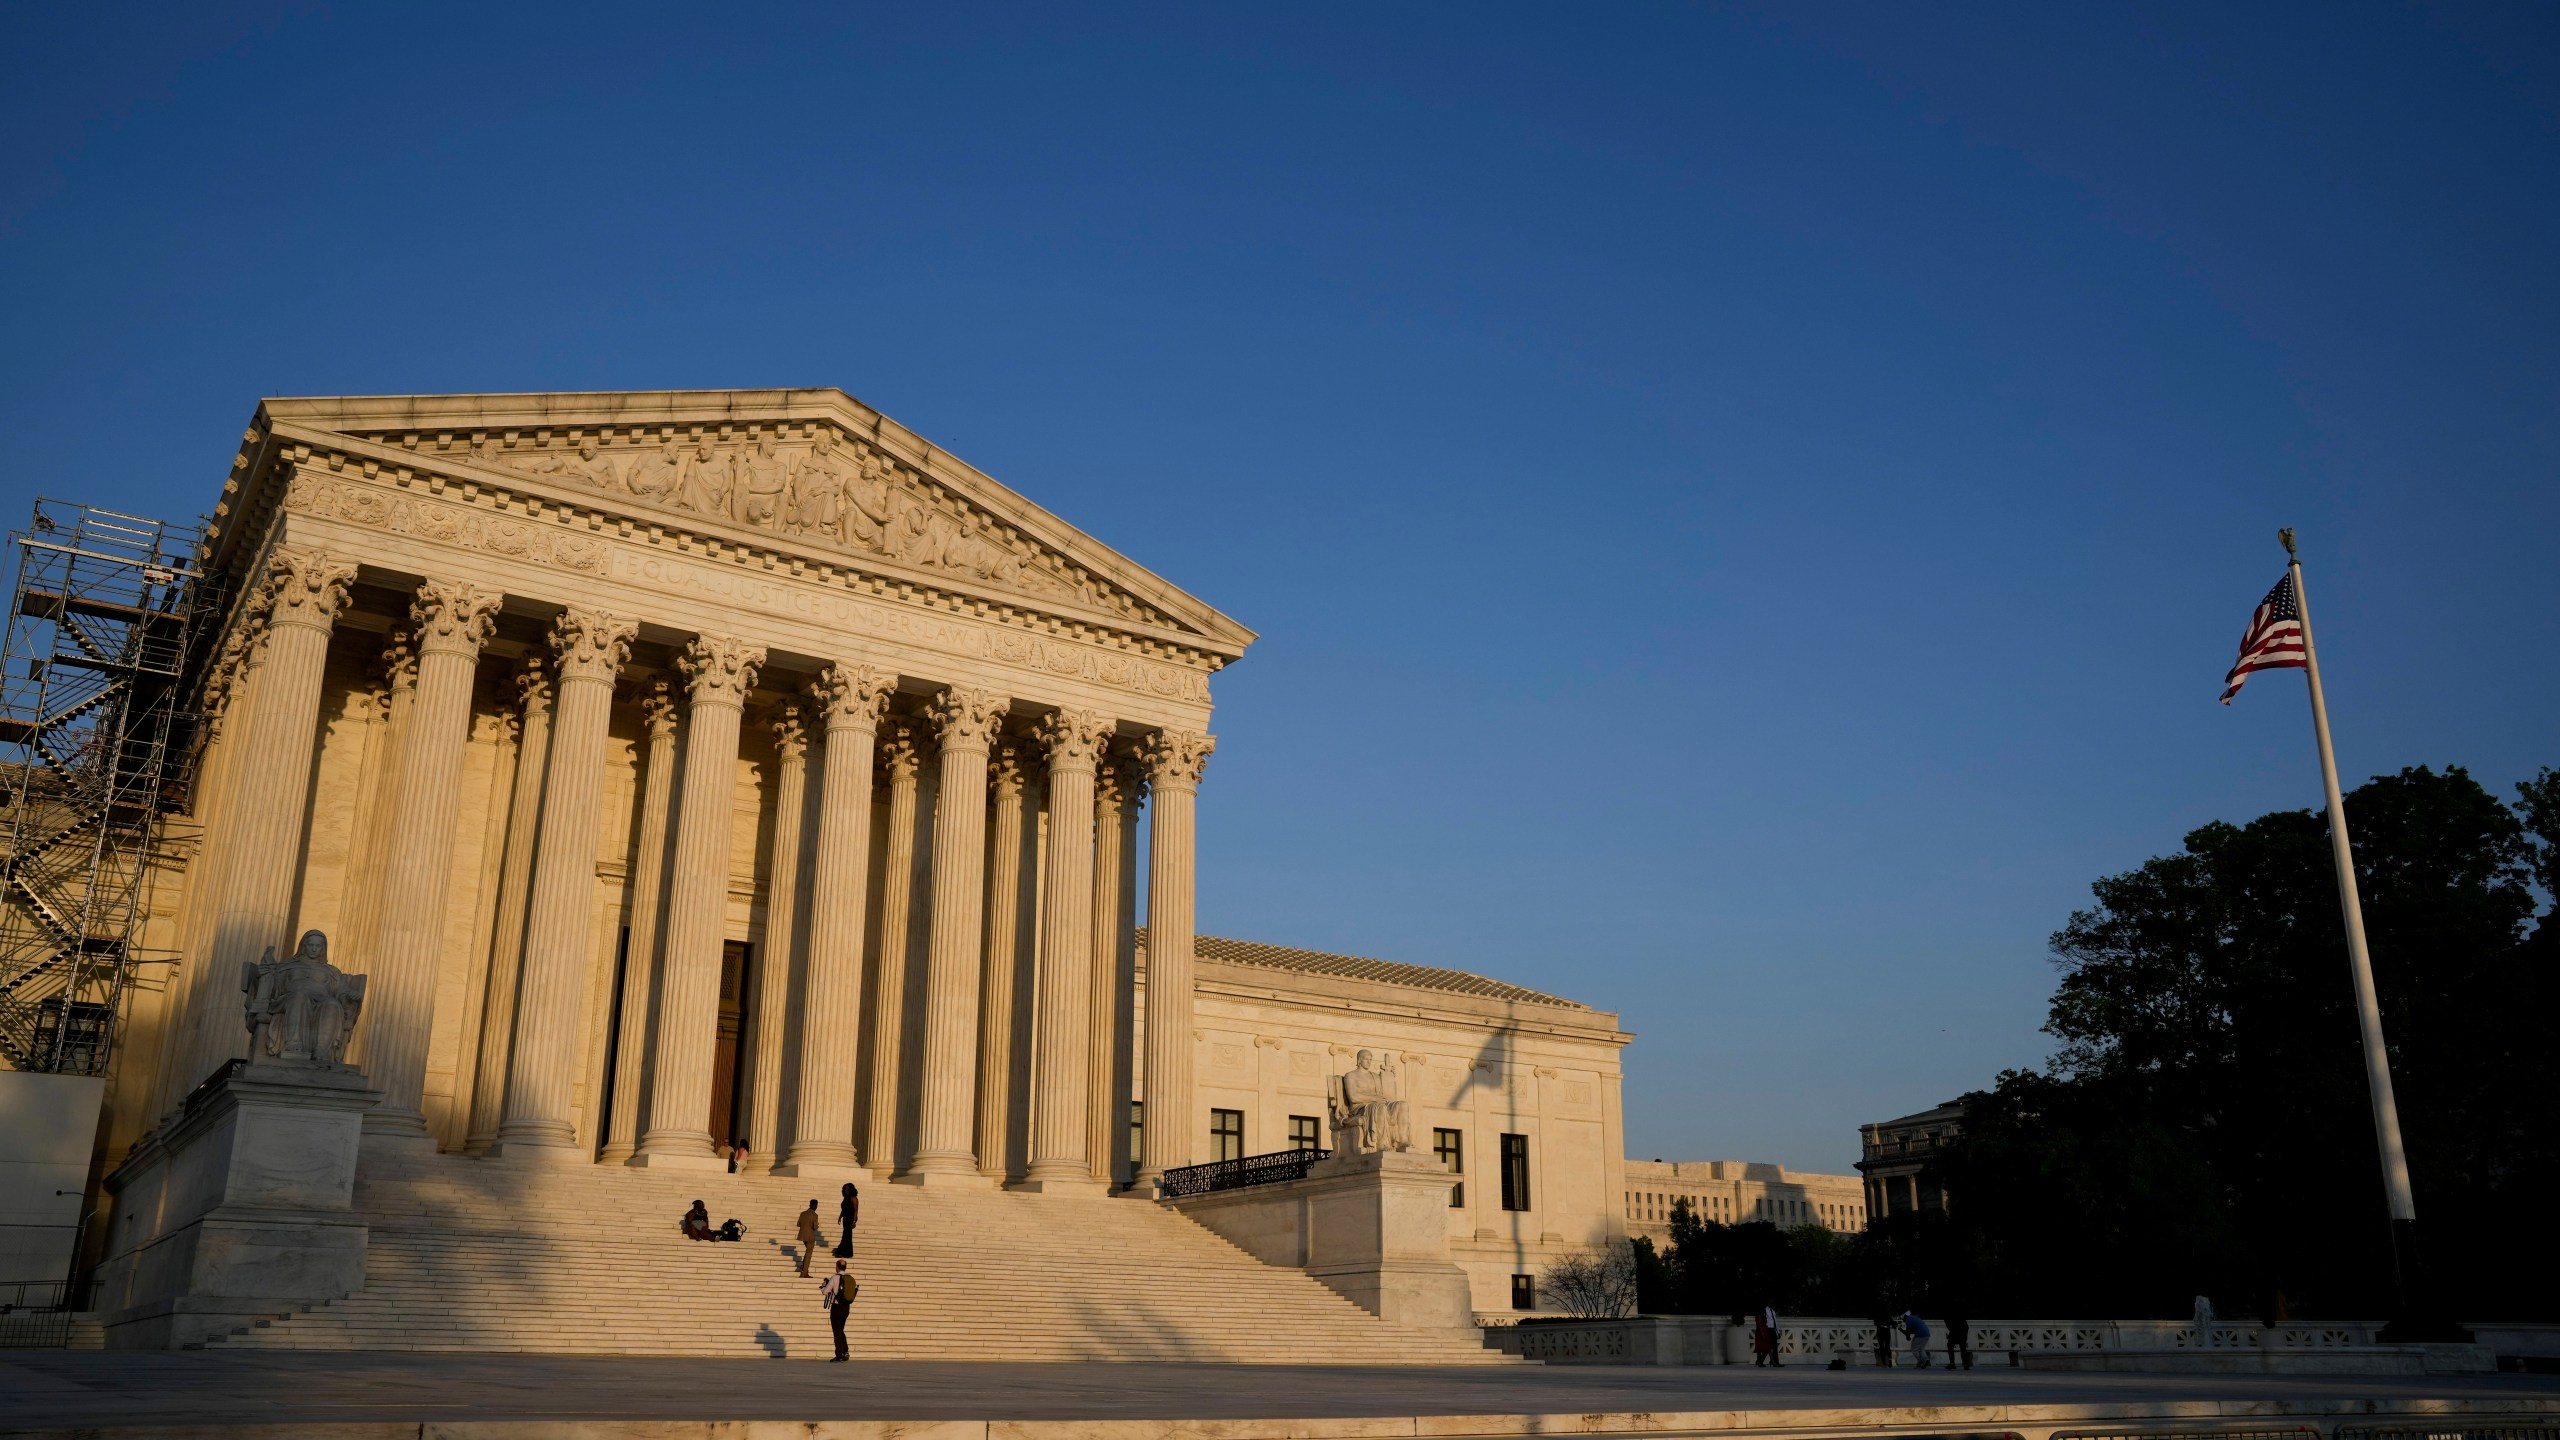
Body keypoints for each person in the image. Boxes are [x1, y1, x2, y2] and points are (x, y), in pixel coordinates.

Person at [820, 1260, 855, 1362]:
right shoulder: (850, 1278)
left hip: (836, 1307)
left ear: (837, 1267)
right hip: (846, 1307)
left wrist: (823, 1286)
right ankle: (845, 1351)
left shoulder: (834, 1278)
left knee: (837, 1331)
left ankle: (839, 1355)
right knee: (840, 1330)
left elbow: (826, 1292)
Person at [795, 1199, 822, 1277]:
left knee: (808, 1251)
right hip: (810, 1236)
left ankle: (803, 1266)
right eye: (816, 1205)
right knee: (809, 1253)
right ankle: (804, 1273)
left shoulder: (803, 1213)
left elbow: (798, 1224)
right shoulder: (815, 1215)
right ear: (814, 1205)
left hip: (802, 1235)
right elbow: (815, 1227)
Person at [834, 1182, 860, 1258]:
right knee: (846, 1235)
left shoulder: (854, 1198)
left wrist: (854, 1221)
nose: (846, 1191)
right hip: (845, 1218)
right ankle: (844, 1252)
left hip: (850, 1218)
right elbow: (843, 1209)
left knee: (847, 1235)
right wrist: (840, 1217)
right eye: (845, 1189)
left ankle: (844, 1252)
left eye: (848, 1189)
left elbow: (856, 1210)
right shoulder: (846, 1198)